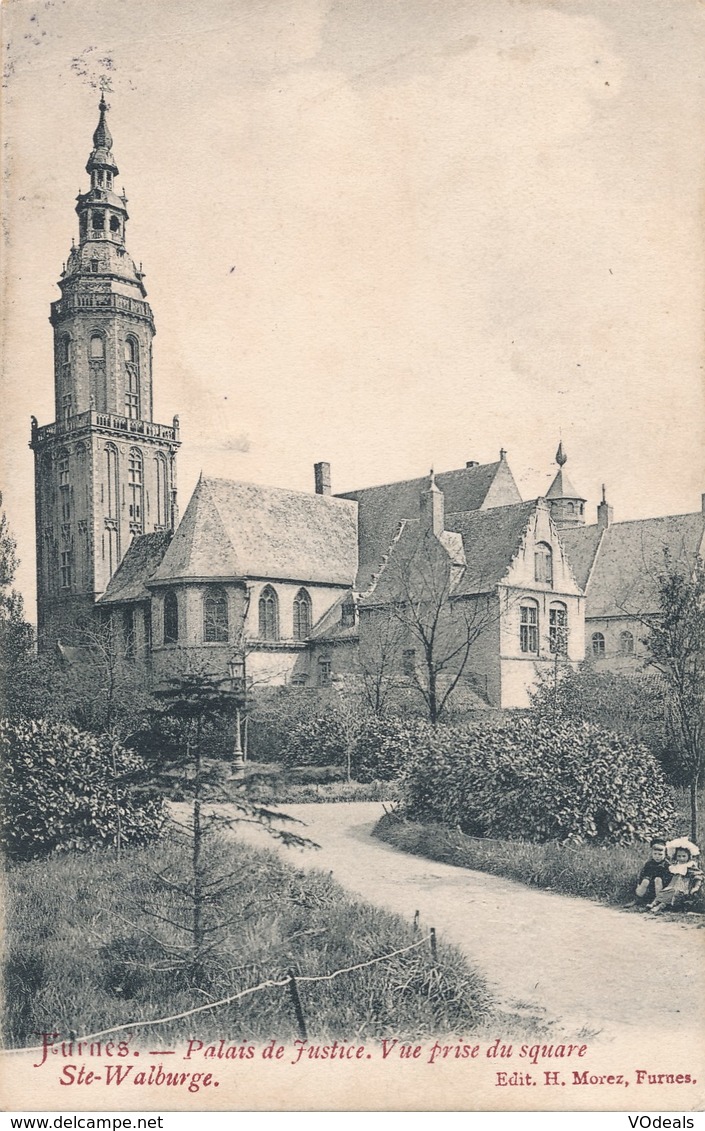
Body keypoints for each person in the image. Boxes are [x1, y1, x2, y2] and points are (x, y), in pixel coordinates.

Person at [649, 846, 703, 913]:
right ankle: (654, 903)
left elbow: (698, 875)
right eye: (679, 856)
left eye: (684, 856)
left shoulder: (690, 865)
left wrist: (696, 887)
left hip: (683, 885)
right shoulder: (675, 866)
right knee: (665, 892)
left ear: (689, 856)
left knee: (673, 894)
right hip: (673, 884)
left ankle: (659, 906)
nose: (681, 858)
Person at [635, 838, 671, 908]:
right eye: (655, 854)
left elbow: (668, 877)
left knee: (658, 880)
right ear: (652, 854)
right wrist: (641, 881)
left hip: (660, 886)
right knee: (645, 880)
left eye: (660, 854)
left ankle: (658, 901)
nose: (657, 856)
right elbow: (643, 874)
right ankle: (638, 898)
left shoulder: (666, 864)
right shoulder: (649, 863)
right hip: (650, 885)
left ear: (665, 854)